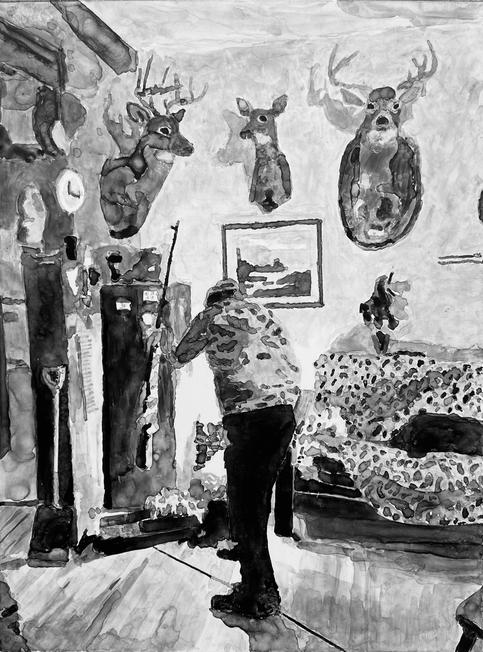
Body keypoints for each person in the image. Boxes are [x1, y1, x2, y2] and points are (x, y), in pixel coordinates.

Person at [168, 278, 301, 618]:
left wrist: (161, 339)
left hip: (248, 417)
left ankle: (257, 595)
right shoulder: (262, 313)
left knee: (244, 507)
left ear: (213, 299)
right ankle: (259, 581)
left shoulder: (211, 315)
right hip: (283, 415)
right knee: (256, 504)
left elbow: (179, 356)